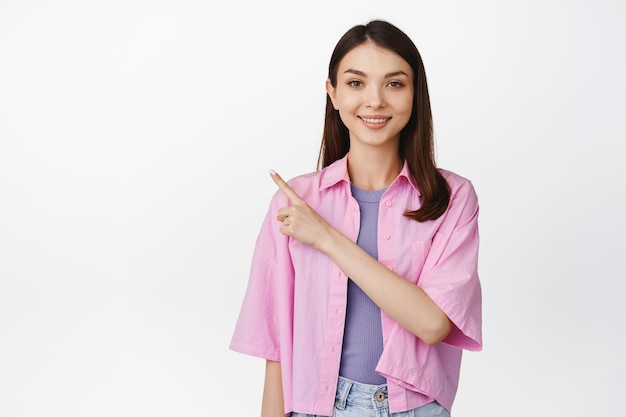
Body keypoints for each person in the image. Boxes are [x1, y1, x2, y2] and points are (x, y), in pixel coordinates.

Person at [230, 19, 482, 417]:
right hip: (315, 407)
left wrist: (328, 238)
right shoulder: (295, 201)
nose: (375, 100)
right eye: (356, 83)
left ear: (416, 94)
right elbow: (275, 343)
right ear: (332, 93)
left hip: (415, 408)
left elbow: (434, 324)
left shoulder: (452, 199)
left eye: (395, 84)